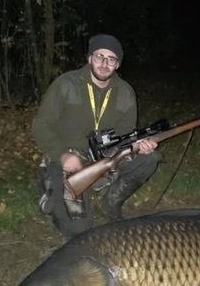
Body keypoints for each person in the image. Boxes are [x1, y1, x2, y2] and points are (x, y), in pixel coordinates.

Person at [32, 34, 161, 239]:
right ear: (90, 58)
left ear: (117, 64)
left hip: (103, 156)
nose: (104, 63)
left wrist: (139, 146)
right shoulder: (66, 84)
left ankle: (109, 202)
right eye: (100, 56)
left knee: (149, 159)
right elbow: (40, 125)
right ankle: (53, 193)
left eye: (111, 59)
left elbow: (125, 135)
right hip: (68, 158)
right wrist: (62, 155)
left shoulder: (125, 92)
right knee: (80, 233)